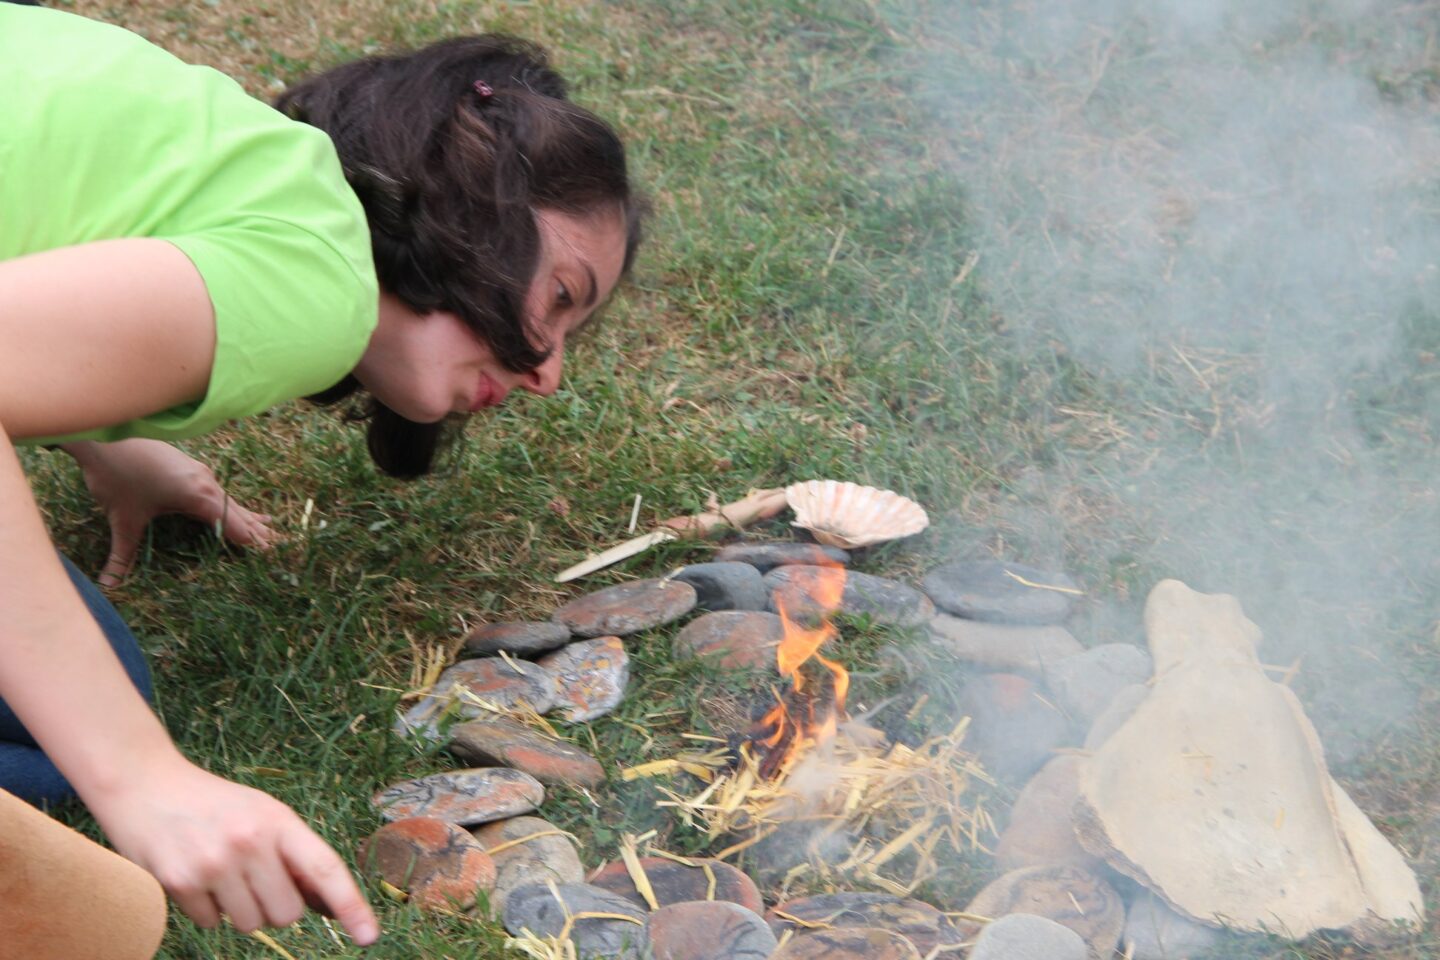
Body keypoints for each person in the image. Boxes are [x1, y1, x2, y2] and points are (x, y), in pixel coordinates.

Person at [0, 2, 642, 947]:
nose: (548, 373)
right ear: (472, 204)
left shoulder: (257, 170)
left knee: (63, 703)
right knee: (70, 762)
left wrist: (104, 440)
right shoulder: (318, 285)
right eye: (560, 295)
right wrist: (142, 777)